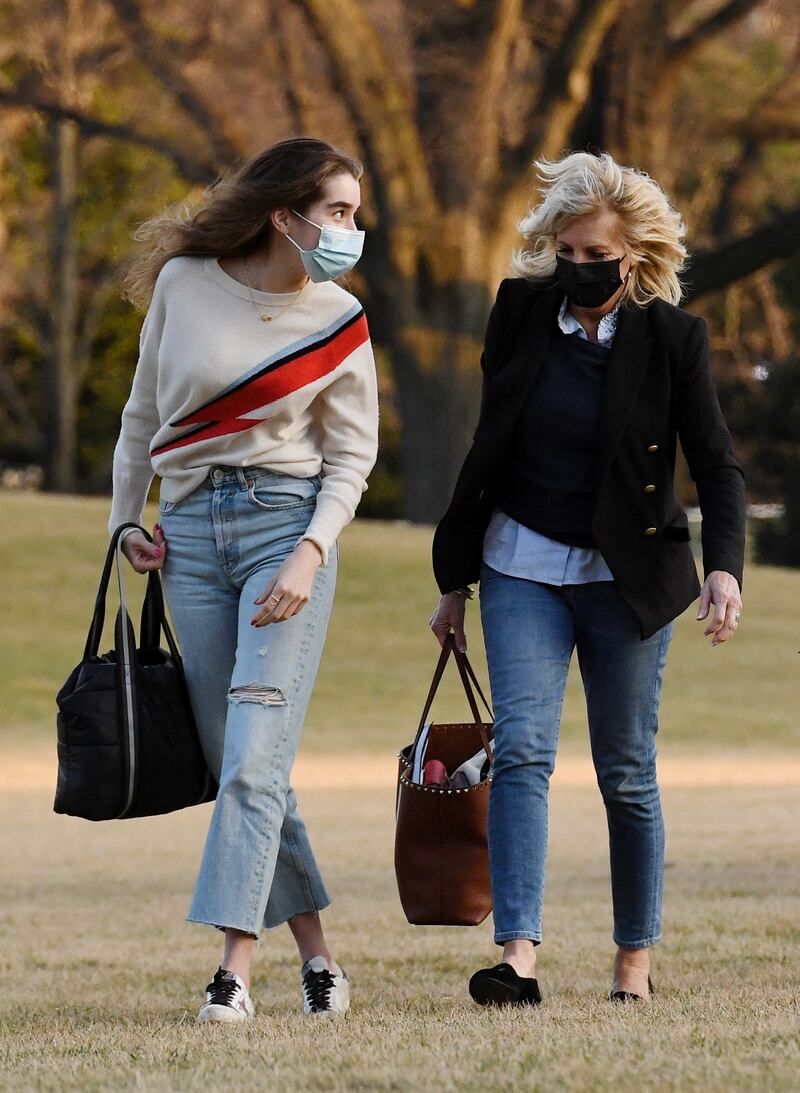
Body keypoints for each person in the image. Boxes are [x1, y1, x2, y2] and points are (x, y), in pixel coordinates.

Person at [430, 151, 745, 1007]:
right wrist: (454, 582)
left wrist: (724, 569)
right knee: (524, 752)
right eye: (563, 253)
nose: (576, 269)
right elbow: (486, 448)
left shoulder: (674, 337)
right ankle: (519, 956)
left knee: (627, 771)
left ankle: (632, 960)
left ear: (632, 256)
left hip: (628, 577)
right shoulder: (521, 311)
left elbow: (716, 465)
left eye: (593, 255)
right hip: (522, 561)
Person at [110, 138, 378, 1022]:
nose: (351, 231)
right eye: (338, 213)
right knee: (242, 764)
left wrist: (312, 551)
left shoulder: (339, 318)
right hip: (188, 532)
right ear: (284, 216)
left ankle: (233, 970)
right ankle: (322, 959)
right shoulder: (188, 286)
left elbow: (352, 455)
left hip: (285, 529)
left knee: (256, 753)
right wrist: (125, 521)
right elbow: (143, 411)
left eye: (354, 213)